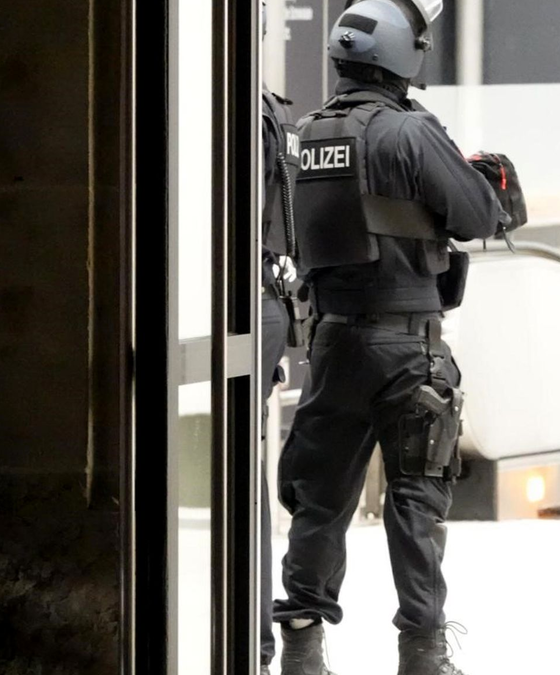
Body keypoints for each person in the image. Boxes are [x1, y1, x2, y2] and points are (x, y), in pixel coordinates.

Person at [274, 1, 507, 673]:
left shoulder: (307, 134)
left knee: (320, 496)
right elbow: (476, 213)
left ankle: (300, 644)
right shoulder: (409, 132)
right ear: (403, 55)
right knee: (416, 497)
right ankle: (422, 652)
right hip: (409, 345)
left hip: (334, 342)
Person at [259, 4, 301, 675]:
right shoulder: (272, 114)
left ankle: (263, 642)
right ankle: (261, 642)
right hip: (268, 304)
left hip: (243, 306)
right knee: (251, 476)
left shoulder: (231, 111)